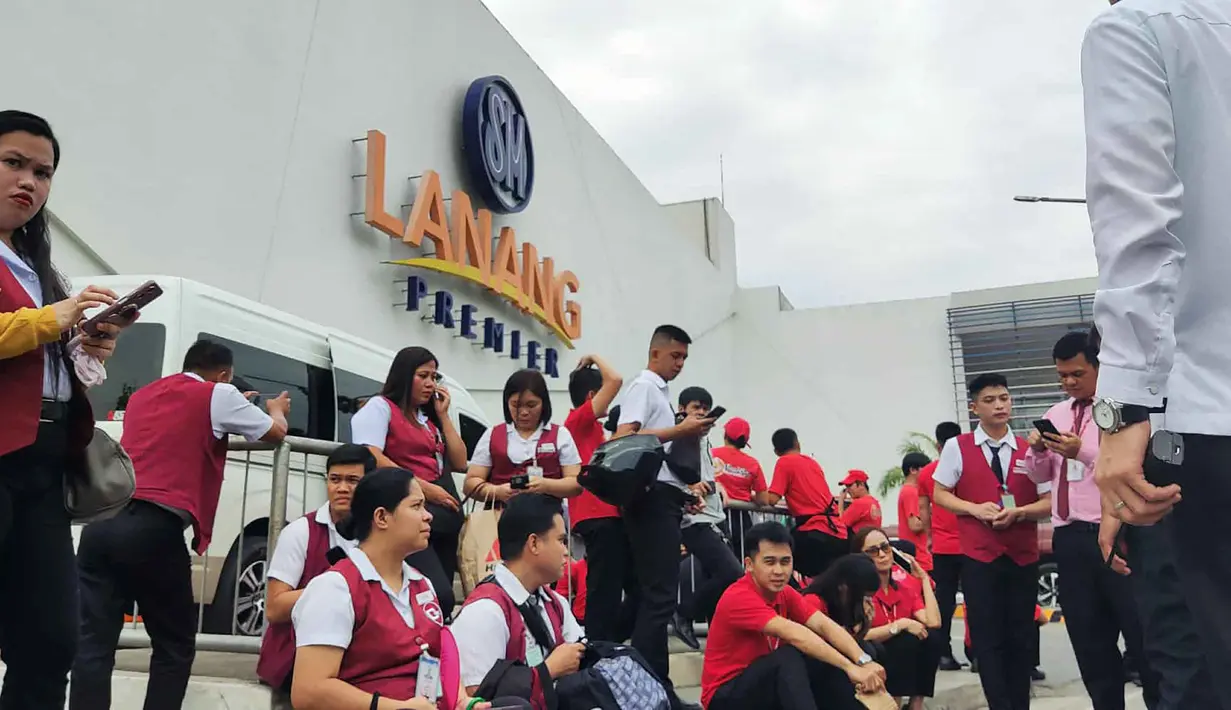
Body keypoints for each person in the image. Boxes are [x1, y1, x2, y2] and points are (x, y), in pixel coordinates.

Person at [1082, 2, 1231, 707]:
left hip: (1201, 416)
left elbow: (1135, 223)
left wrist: (1118, 415)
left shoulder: (1136, 29)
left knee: (1193, 665)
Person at [71, 339, 291, 710]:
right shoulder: (218, 393)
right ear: (223, 374)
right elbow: (275, 433)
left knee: (94, 644)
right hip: (154, 527)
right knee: (174, 645)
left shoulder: (143, 395)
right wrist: (275, 409)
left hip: (102, 524)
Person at [0, 109, 132, 709]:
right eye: (13, 163)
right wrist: (51, 319)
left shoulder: (36, 267)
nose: (29, 181)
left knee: (52, 639)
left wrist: (86, 342)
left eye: (43, 172)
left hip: (45, 462)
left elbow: (44, 360)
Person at [290, 467, 517, 710]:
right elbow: (308, 691)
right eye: (416, 506)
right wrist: (394, 707)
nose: (428, 516)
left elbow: (438, 662)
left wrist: (463, 701)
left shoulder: (421, 584)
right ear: (382, 518)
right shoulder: (335, 588)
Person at [1025, 330, 1159, 710]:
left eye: (1077, 374)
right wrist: (1037, 451)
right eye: (1062, 376)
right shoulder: (1057, 413)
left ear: (1099, 368)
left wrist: (1080, 450)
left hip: (1115, 532)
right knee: (1088, 637)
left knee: (1139, 632)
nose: (1069, 382)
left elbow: (1127, 467)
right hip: (1068, 539)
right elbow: (1038, 477)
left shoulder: (1121, 410)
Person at [931, 373, 1053, 710]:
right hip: (978, 557)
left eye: (1004, 398)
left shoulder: (1031, 451)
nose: (999, 405)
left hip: (1023, 556)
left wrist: (1021, 513)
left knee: (1021, 636)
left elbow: (1050, 502)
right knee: (987, 639)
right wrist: (972, 508)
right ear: (974, 407)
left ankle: (1020, 703)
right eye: (990, 400)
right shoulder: (958, 447)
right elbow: (940, 494)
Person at [612, 324, 715, 710]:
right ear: (655, 353)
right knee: (658, 599)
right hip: (649, 501)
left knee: (654, 597)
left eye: (685, 358)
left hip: (662, 498)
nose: (680, 364)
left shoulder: (658, 390)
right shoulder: (644, 386)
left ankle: (654, 690)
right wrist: (681, 428)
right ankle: (654, 691)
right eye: (675, 356)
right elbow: (624, 436)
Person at [701, 522, 885, 710]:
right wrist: (850, 667)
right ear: (749, 565)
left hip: (764, 684)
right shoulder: (739, 596)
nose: (779, 571)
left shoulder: (785, 593)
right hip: (725, 697)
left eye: (785, 562)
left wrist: (863, 661)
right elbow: (795, 634)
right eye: (769, 562)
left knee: (848, 651)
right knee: (788, 656)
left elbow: (824, 625)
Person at [350, 346, 468, 620]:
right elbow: (371, 454)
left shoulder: (429, 420)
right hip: (407, 515)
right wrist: (426, 489)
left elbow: (460, 461)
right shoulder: (381, 408)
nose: (430, 384)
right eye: (423, 375)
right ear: (405, 376)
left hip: (440, 525)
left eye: (434, 377)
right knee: (439, 594)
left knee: (433, 600)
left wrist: (444, 416)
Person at [259, 444, 378, 693]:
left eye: (352, 480)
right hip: (297, 658)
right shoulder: (301, 531)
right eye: (335, 479)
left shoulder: (380, 534)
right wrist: (335, 589)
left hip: (357, 658)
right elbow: (274, 607)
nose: (342, 488)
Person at [451, 494, 586, 706]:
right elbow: (478, 696)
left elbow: (580, 654)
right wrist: (548, 671)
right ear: (533, 543)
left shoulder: (554, 601)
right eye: (560, 540)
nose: (566, 551)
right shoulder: (485, 611)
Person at [562, 354, 634, 643]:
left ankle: (607, 641)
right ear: (592, 395)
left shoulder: (594, 430)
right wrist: (593, 357)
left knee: (625, 586)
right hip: (596, 516)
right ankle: (599, 646)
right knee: (604, 590)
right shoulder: (577, 421)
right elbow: (615, 380)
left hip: (607, 516)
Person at [671, 386, 744, 651]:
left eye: (705, 409)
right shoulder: (679, 438)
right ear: (681, 411)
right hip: (695, 519)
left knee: (722, 579)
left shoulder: (703, 442)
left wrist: (717, 486)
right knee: (733, 572)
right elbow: (671, 472)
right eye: (696, 408)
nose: (702, 413)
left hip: (712, 517)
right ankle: (683, 613)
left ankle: (717, 636)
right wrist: (690, 489)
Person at [851, 528, 941, 710]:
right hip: (871, 652)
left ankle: (916, 705)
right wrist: (899, 625)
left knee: (932, 637)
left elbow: (933, 622)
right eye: (873, 551)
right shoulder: (858, 592)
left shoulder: (904, 588)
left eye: (886, 547)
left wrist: (923, 579)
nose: (882, 554)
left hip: (900, 655)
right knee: (903, 640)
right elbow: (857, 635)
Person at [465, 369, 583, 505]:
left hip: (548, 520)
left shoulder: (560, 435)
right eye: (516, 405)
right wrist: (496, 491)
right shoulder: (492, 435)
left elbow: (576, 483)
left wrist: (546, 485)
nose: (524, 412)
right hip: (500, 518)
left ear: (544, 403)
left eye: (531, 405)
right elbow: (470, 483)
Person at [761, 428, 847, 578]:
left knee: (776, 558)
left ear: (776, 451)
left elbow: (772, 499)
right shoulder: (812, 463)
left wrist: (755, 494)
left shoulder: (784, 462)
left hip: (814, 532)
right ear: (797, 444)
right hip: (837, 531)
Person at [918, 421, 965, 670]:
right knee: (978, 602)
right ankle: (978, 653)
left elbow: (924, 510)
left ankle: (944, 654)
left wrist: (929, 536)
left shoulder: (927, 473)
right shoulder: (968, 467)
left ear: (938, 445)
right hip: (972, 546)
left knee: (943, 602)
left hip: (943, 546)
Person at [711, 417, 768, 558]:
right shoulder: (752, 463)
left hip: (714, 513)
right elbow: (763, 499)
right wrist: (749, 496)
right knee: (740, 560)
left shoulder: (711, 454)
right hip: (741, 519)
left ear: (725, 435)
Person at [896, 453, 933, 574]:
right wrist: (934, 516)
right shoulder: (910, 492)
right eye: (926, 468)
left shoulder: (911, 491)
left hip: (920, 557)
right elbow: (915, 525)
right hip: (919, 559)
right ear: (913, 470)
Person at [837, 470, 882, 535]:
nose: (847, 490)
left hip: (859, 542)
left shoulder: (860, 503)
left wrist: (841, 501)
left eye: (849, 485)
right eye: (846, 487)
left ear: (861, 484)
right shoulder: (875, 502)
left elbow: (840, 525)